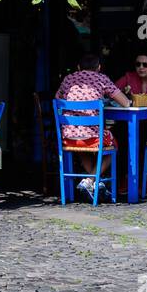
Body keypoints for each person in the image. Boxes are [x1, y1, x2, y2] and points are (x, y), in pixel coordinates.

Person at [56, 53, 130, 200]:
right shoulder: (102, 78)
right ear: (99, 68)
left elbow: (58, 99)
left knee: (81, 148)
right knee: (114, 145)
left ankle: (94, 183)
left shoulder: (68, 79)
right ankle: (91, 180)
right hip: (92, 138)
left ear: (78, 67)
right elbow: (126, 103)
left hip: (69, 138)